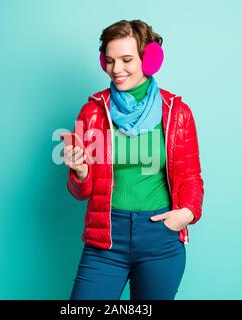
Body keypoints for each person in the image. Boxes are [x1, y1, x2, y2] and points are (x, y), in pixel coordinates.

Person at [63, 19, 204, 300]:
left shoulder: (177, 112)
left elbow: (191, 176)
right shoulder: (93, 112)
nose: (117, 70)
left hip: (160, 239)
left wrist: (186, 214)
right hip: (106, 238)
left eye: (127, 60)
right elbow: (82, 192)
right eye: (110, 60)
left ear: (148, 59)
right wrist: (80, 173)